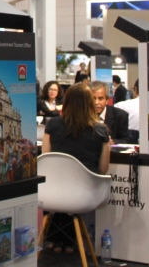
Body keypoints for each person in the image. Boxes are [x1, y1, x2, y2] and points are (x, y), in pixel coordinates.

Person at [42, 84, 110, 253]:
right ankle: (68, 241)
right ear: (90, 103)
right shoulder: (101, 130)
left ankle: (58, 240)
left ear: (66, 102)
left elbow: (46, 158)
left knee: (63, 184)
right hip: (86, 195)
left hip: (50, 192)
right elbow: (103, 169)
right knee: (73, 187)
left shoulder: (52, 125)